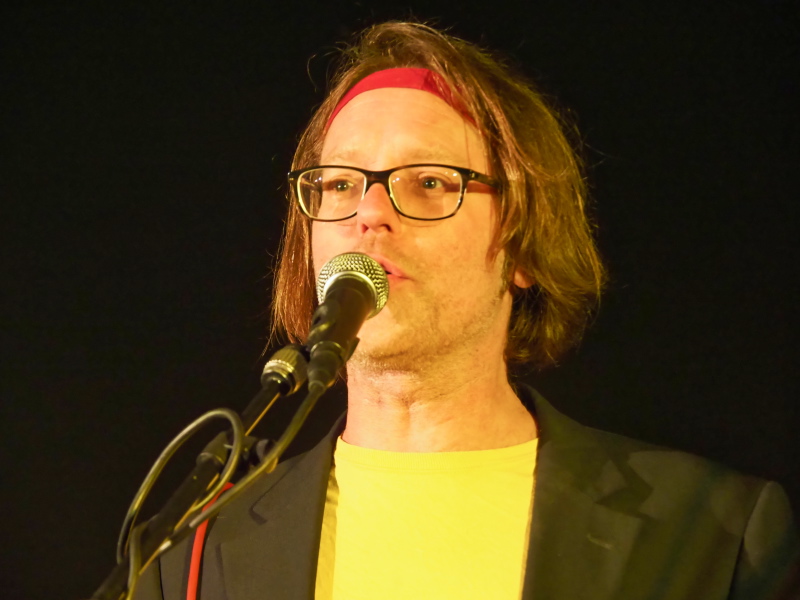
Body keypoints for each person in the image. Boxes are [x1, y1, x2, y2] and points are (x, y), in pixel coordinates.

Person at [135, 21, 799, 600]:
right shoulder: (193, 551)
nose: (369, 212)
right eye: (339, 183)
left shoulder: (716, 534)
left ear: (523, 244)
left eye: (429, 182)